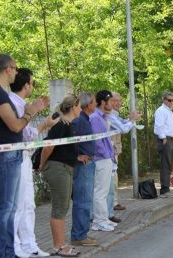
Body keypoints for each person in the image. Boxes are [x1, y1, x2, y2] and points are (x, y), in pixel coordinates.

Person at [0, 54, 45, 258]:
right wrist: (30, 112)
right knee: (4, 207)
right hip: (6, 154)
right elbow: (15, 125)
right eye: (16, 68)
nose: (17, 72)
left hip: (11, 153)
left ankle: (8, 251)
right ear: (7, 69)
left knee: (10, 207)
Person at [9, 68, 54, 257]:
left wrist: (42, 121)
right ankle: (15, 245)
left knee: (29, 204)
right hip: (15, 157)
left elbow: (28, 134)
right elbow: (20, 132)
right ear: (26, 84)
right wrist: (40, 121)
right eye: (32, 82)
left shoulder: (24, 104)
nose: (33, 86)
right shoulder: (12, 103)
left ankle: (30, 244)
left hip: (25, 157)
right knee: (17, 204)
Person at [39, 94, 81, 257]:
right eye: (78, 106)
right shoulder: (60, 124)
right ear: (72, 107)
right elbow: (48, 147)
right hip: (58, 168)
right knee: (59, 207)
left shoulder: (68, 124)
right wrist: (42, 165)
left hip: (65, 167)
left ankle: (62, 244)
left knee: (63, 206)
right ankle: (58, 246)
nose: (80, 109)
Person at [70, 92, 98, 247]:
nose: (96, 105)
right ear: (88, 105)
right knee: (83, 200)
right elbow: (70, 140)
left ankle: (81, 233)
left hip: (88, 163)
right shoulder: (79, 120)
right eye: (94, 102)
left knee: (85, 199)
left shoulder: (85, 119)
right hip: (83, 166)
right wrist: (77, 156)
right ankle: (79, 236)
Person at [106, 92, 140, 221]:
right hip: (108, 152)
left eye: (120, 100)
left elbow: (122, 123)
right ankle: (110, 207)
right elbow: (123, 128)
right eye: (116, 101)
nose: (119, 103)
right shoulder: (108, 115)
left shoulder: (114, 114)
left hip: (113, 150)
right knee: (110, 180)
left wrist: (130, 119)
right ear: (109, 102)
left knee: (113, 178)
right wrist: (132, 120)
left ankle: (112, 204)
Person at [89, 90, 119, 230]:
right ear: (103, 102)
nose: (112, 104)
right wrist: (105, 153)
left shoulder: (103, 116)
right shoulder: (95, 117)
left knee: (105, 190)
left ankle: (104, 218)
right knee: (100, 191)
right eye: (110, 101)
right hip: (101, 158)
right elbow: (97, 140)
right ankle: (98, 221)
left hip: (106, 157)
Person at [154, 91, 173, 198]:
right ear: (164, 100)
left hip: (171, 139)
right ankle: (164, 190)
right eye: (169, 100)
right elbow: (159, 125)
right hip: (166, 139)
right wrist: (163, 137)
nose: (171, 102)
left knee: (169, 164)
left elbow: (172, 126)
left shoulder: (169, 111)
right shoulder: (161, 111)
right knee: (165, 164)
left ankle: (166, 187)